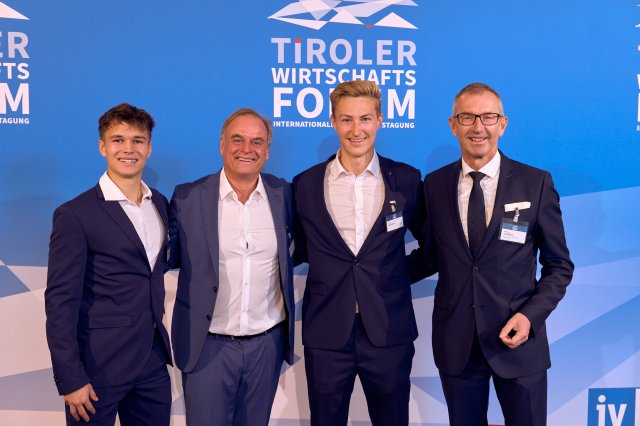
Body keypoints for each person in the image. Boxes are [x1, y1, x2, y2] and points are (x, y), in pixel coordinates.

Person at [422, 82, 574, 425]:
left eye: (488, 117)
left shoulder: (535, 183)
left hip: (519, 342)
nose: (478, 127)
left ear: (502, 124)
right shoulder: (434, 185)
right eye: (467, 117)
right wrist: (373, 273)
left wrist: (529, 317)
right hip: (457, 344)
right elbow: (431, 256)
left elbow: (559, 265)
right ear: (453, 125)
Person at [292, 80, 425, 426]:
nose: (356, 130)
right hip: (326, 332)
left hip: (388, 329)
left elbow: (435, 246)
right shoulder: (305, 184)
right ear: (333, 122)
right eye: (347, 120)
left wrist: (395, 275)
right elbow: (298, 249)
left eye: (365, 119)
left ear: (379, 120)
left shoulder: (407, 179)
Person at [45, 103, 172, 425]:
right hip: (97, 367)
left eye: (137, 140)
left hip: (152, 363)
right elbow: (60, 302)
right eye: (118, 140)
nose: (128, 149)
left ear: (149, 148)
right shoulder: (75, 215)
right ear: (103, 147)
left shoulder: (159, 202)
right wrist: (70, 378)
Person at [168, 108, 295, 426]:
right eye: (237, 139)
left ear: (267, 150)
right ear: (222, 144)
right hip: (207, 345)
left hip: (266, 346)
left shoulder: (284, 195)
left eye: (256, 141)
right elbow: (167, 258)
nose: (246, 149)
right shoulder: (187, 198)